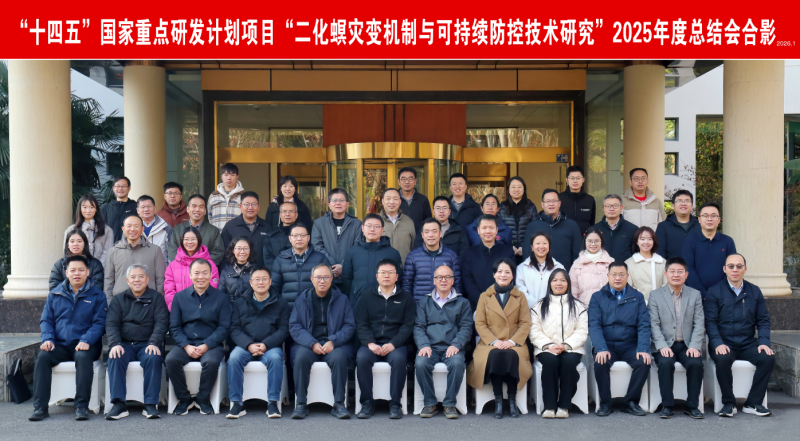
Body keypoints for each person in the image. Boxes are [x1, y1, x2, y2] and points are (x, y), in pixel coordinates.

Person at [30, 256, 107, 422]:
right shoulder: (55, 294)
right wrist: (48, 339)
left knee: (83, 357)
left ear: (87, 272)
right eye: (73, 270)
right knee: (43, 357)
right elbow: (46, 320)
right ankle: (40, 407)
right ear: (66, 273)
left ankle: (81, 406)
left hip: (87, 344)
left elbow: (99, 323)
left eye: (81, 270)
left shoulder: (98, 295)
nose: (76, 273)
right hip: (61, 344)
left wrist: (86, 340)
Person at [705, 254, 775, 417]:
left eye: (739, 266)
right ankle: (728, 403)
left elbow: (763, 320)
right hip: (724, 343)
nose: (735, 269)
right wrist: (717, 343)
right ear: (725, 269)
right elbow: (710, 322)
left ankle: (753, 403)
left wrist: (764, 342)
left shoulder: (754, 291)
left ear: (745, 269)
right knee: (722, 359)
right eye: (731, 266)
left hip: (747, 343)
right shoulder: (714, 291)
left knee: (768, 358)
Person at [166, 258, 231, 416]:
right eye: (196, 273)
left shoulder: (221, 298)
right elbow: (174, 327)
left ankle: (203, 398)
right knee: (171, 360)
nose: (200, 277)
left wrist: (207, 345)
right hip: (186, 343)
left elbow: (224, 327)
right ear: (190, 275)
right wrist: (186, 345)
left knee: (211, 361)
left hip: (211, 344)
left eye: (204, 273)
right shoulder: (180, 297)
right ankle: (184, 399)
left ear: (211, 275)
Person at [289, 264, 355, 420]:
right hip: (309, 344)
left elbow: (349, 325)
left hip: (334, 344)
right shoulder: (302, 299)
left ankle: (339, 404)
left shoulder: (342, 299)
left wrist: (333, 341)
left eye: (326, 277)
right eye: (318, 277)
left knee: (339, 358)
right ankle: (301, 404)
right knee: (301, 358)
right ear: (312, 279)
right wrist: (312, 343)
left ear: (332, 279)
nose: (322, 281)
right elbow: (294, 326)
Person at [467, 258, 531, 419]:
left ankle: (512, 400)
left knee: (511, 354)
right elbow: (479, 323)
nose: (503, 275)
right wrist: (495, 341)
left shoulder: (520, 297)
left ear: (512, 275)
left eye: (507, 272)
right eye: (500, 271)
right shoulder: (484, 296)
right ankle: (498, 401)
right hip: (490, 343)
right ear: (494, 274)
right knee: (495, 354)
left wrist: (511, 342)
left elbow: (525, 323)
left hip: (514, 342)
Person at [104, 264, 169, 420]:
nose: (137, 280)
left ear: (147, 279)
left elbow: (162, 322)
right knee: (115, 356)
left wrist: (154, 342)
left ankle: (150, 404)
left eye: (141, 276)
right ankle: (119, 404)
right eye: (133, 277)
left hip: (147, 344)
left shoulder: (157, 298)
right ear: (127, 280)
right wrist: (115, 343)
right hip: (125, 344)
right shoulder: (118, 299)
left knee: (153, 358)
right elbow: (111, 324)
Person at [227, 265, 290, 419]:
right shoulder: (240, 302)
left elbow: (283, 329)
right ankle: (236, 403)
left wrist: (266, 344)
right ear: (251, 282)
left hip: (270, 346)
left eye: (264, 279)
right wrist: (249, 345)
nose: (260, 282)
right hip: (246, 346)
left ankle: (272, 402)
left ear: (270, 281)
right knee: (234, 358)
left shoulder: (281, 303)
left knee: (275, 358)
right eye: (257, 279)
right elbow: (234, 329)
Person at [588, 262, 651, 417]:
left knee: (643, 362)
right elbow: (594, 325)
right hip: (607, 344)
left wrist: (643, 348)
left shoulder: (637, 297)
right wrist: (601, 348)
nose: (618, 278)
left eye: (621, 274)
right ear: (608, 276)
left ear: (627, 276)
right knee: (600, 362)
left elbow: (644, 325)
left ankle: (630, 402)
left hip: (630, 344)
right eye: (614, 274)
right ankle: (605, 403)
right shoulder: (597, 297)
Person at [355, 259, 415, 419]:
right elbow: (361, 323)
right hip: (371, 344)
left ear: (397, 276)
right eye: (383, 272)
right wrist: (370, 343)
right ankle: (367, 403)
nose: (386, 276)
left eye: (390, 273)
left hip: (395, 344)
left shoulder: (406, 298)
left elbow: (408, 325)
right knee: (362, 358)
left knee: (399, 360)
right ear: (377, 276)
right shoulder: (366, 297)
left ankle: (395, 404)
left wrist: (393, 343)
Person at [648, 257, 705, 419]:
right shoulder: (655, 295)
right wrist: (661, 346)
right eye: (672, 271)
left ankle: (692, 406)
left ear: (686, 275)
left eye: (680, 272)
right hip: (665, 344)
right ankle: (667, 405)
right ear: (666, 274)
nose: (676, 275)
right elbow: (653, 324)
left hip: (687, 344)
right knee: (665, 363)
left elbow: (699, 323)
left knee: (696, 364)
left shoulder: (695, 294)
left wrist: (694, 345)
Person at [414, 265, 473, 419]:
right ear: (434, 280)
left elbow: (466, 327)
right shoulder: (424, 302)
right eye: (439, 277)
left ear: (453, 280)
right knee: (421, 363)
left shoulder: (462, 302)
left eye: (447, 277)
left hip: (452, 346)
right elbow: (419, 326)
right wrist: (424, 345)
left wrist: (456, 344)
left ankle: (449, 403)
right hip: (430, 347)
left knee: (457, 363)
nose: (443, 280)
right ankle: (430, 403)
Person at [529, 269, 588, 419]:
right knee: (550, 362)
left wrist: (565, 345)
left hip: (572, 348)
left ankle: (564, 405)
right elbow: (534, 332)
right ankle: (549, 406)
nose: (559, 283)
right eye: (555, 280)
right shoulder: (539, 306)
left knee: (569, 363)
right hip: (547, 348)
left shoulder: (579, 306)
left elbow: (582, 331)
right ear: (550, 283)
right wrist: (550, 345)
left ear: (568, 283)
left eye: (563, 280)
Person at [341, 214, 404, 304]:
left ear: (382, 230)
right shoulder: (352, 252)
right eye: (369, 226)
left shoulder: (393, 253)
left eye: (376, 226)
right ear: (362, 228)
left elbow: (398, 280)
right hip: (357, 302)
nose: (372, 229)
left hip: (385, 302)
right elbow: (346, 279)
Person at [461, 215, 515, 311]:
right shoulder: (469, 253)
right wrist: (483, 301)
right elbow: (468, 281)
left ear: (497, 230)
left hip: (502, 305)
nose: (488, 231)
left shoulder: (507, 251)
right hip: (477, 306)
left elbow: (510, 277)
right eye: (484, 228)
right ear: (478, 230)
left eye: (491, 228)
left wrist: (497, 302)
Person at [104, 214, 166, 299]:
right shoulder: (114, 251)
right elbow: (109, 280)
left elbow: (160, 279)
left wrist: (158, 300)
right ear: (123, 229)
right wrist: (109, 302)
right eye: (129, 226)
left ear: (142, 229)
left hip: (148, 300)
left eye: (136, 226)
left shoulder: (155, 250)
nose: (132, 229)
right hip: (120, 301)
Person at [683, 202, 737, 298]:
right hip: (696, 297)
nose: (709, 219)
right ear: (699, 219)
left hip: (723, 296)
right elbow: (688, 268)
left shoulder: (728, 241)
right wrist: (703, 294)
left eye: (713, 216)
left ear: (719, 220)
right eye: (705, 215)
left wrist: (720, 292)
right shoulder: (689, 241)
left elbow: (733, 268)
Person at [271, 223, 331, 309]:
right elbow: (274, 287)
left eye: (303, 235)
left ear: (308, 238)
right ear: (290, 238)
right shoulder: (280, 260)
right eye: (295, 235)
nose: (299, 238)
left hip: (313, 308)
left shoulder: (320, 258)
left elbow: (330, 285)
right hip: (288, 309)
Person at [311, 188, 363, 286]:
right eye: (334, 200)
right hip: (325, 275)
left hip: (350, 274)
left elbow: (358, 247)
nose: (338, 203)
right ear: (329, 204)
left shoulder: (357, 224)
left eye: (341, 200)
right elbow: (317, 246)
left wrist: (343, 266)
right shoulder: (319, 223)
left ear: (347, 204)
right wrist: (332, 266)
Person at [403, 218, 462, 302]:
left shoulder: (451, 256)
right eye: (427, 232)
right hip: (419, 305)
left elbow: (457, 284)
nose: (430, 235)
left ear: (440, 233)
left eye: (434, 231)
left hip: (445, 305)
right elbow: (407, 285)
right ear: (422, 235)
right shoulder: (412, 256)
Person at [522, 189, 582, 271]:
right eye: (548, 201)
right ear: (542, 204)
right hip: (539, 274)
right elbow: (527, 253)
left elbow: (578, 254)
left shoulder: (572, 225)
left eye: (554, 201)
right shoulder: (533, 226)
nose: (551, 204)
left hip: (564, 274)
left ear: (559, 203)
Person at [164, 227, 220, 310]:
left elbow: (212, 289)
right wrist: (175, 309)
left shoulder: (210, 265)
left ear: (199, 240)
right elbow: (169, 290)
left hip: (203, 311)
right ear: (181, 241)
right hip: (180, 310)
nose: (190, 242)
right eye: (186, 239)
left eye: (193, 239)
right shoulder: (172, 266)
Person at [167, 194, 225, 265]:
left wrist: (199, 267)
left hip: (204, 270)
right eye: (194, 206)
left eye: (201, 207)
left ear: (205, 211)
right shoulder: (177, 230)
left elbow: (217, 253)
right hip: (181, 270)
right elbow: (172, 252)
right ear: (187, 209)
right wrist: (186, 267)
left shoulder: (213, 231)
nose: (197, 210)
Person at [516, 232, 565, 307]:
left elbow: (563, 289)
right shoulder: (522, 268)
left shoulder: (558, 267)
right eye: (537, 243)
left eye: (544, 243)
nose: (541, 246)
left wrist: (549, 306)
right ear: (532, 247)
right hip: (529, 311)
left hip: (553, 310)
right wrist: (537, 306)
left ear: (549, 246)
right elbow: (520, 291)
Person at [64, 195, 114, 266]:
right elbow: (67, 252)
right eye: (85, 207)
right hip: (77, 270)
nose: (88, 210)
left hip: (99, 269)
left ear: (96, 209)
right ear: (80, 209)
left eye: (91, 207)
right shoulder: (71, 230)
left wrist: (97, 268)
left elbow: (107, 253)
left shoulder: (107, 230)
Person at [569, 227, 615, 306]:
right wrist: (579, 309)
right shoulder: (577, 265)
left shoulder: (611, 263)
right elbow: (573, 293)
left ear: (601, 241)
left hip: (609, 308)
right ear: (585, 242)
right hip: (585, 308)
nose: (593, 244)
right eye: (590, 241)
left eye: (596, 241)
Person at [221, 191, 270, 264]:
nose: (250, 207)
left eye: (254, 204)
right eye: (246, 204)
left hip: (261, 269)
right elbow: (225, 253)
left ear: (258, 207)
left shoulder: (267, 227)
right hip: (237, 270)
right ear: (241, 207)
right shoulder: (230, 226)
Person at [499, 177, 538, 260]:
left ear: (524, 190)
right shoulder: (502, 207)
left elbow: (535, 229)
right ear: (508, 190)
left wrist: (524, 246)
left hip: (527, 251)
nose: (516, 189)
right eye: (513, 187)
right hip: (507, 251)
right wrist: (509, 246)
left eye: (519, 187)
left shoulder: (531, 207)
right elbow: (499, 230)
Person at [593, 194, 639, 265]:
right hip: (601, 269)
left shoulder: (633, 229)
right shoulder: (594, 230)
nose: (611, 209)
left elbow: (637, 254)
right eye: (608, 206)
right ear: (603, 208)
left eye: (615, 206)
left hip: (625, 269)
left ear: (621, 208)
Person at [625, 227, 666, 303]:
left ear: (654, 241)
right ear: (637, 242)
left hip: (660, 304)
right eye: (642, 239)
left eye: (650, 239)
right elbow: (628, 288)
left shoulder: (662, 262)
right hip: (637, 304)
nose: (646, 242)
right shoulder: (629, 263)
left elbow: (666, 285)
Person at [656, 190, 700, 259]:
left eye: (687, 201)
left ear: (691, 206)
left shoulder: (700, 226)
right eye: (679, 201)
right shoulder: (663, 227)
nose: (683, 204)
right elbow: (660, 254)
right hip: (671, 266)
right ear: (673, 206)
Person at [380, 188, 416, 264]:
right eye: (388, 199)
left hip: (404, 268)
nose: (391, 202)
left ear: (400, 202)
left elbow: (413, 247)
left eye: (395, 199)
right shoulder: (375, 222)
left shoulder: (408, 222)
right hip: (381, 269)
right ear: (383, 201)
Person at [559, 165, 596, 235]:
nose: (575, 181)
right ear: (567, 180)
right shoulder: (559, 199)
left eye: (578, 178)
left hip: (584, 239)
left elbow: (592, 223)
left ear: (583, 180)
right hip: (564, 238)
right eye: (572, 178)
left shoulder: (590, 200)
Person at [218, 237, 257, 302]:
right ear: (233, 250)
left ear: (250, 250)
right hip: (230, 307)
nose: (242, 252)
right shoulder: (226, 271)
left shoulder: (257, 270)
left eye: (245, 248)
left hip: (251, 307)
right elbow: (221, 294)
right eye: (239, 248)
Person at [208, 162, 245, 230]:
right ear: (221, 176)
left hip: (237, 234)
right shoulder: (213, 195)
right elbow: (210, 216)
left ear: (237, 176)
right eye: (226, 175)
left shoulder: (244, 196)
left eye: (232, 175)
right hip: (218, 234)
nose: (229, 178)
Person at [101, 176, 138, 242]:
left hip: (131, 245)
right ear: (113, 188)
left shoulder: (136, 206)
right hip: (111, 246)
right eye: (118, 186)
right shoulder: (105, 208)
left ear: (129, 188)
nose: (120, 188)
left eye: (124, 186)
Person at [137, 195, 172, 262]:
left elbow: (171, 253)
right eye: (143, 207)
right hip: (138, 267)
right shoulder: (131, 228)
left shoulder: (165, 227)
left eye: (149, 206)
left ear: (155, 208)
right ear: (138, 210)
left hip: (160, 267)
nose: (146, 209)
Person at [262, 201, 298, 267]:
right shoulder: (271, 236)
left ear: (296, 215)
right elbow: (268, 259)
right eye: (284, 211)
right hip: (276, 272)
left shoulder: (302, 235)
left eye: (291, 211)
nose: (287, 214)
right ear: (280, 214)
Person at [397, 166, 432, 232]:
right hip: (398, 237)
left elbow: (428, 222)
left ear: (415, 181)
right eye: (403, 179)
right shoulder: (393, 199)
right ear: (399, 181)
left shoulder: (423, 200)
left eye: (410, 179)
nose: (407, 182)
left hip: (418, 237)